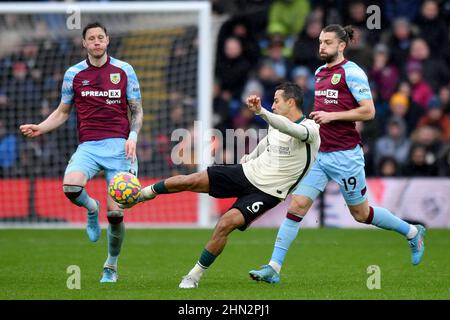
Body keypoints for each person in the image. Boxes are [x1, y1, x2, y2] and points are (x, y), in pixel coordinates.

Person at [249, 24, 426, 285]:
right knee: (297, 205)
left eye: (328, 42)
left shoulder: (353, 73)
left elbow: (369, 111)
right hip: (320, 153)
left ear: (342, 45)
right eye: (320, 41)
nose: (322, 46)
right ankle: (274, 267)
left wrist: (333, 116)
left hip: (346, 156)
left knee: (361, 214)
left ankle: (412, 232)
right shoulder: (320, 73)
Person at [121, 82, 320, 289]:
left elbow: (287, 128)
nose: (273, 105)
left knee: (225, 224)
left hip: (267, 192)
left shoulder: (310, 129)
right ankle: (142, 194)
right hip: (246, 172)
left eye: (277, 101)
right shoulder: (275, 123)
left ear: (291, 102)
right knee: (191, 180)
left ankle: (193, 276)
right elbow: (269, 140)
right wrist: (250, 156)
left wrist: (260, 112)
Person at [19, 22, 143, 283]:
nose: (97, 42)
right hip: (89, 146)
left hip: (120, 147)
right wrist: (40, 128)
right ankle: (90, 208)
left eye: (101, 37)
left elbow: (137, 110)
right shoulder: (73, 74)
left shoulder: (124, 70)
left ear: (107, 40)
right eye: (91, 38)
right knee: (71, 188)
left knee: (115, 214)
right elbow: (63, 112)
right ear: (84, 43)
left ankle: (110, 265)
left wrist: (132, 137)